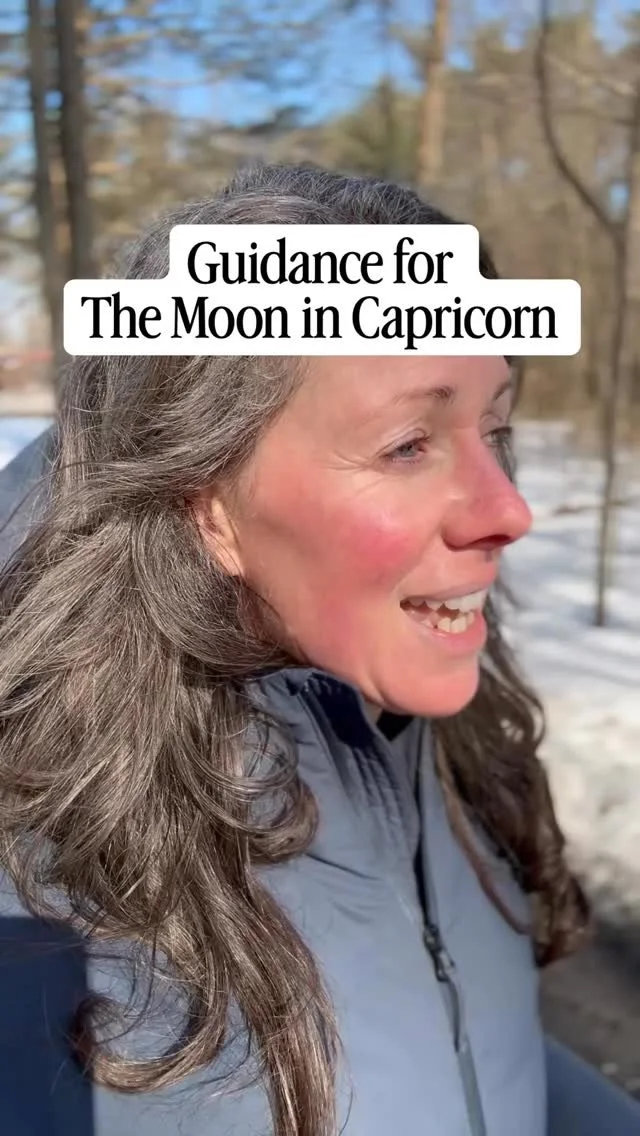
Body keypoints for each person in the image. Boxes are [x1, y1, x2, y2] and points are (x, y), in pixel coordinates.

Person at [0, 164, 638, 1136]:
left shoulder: (423, 713)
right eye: (407, 444)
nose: (510, 510)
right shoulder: (36, 896)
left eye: (495, 427)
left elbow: (470, 1045)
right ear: (204, 500)